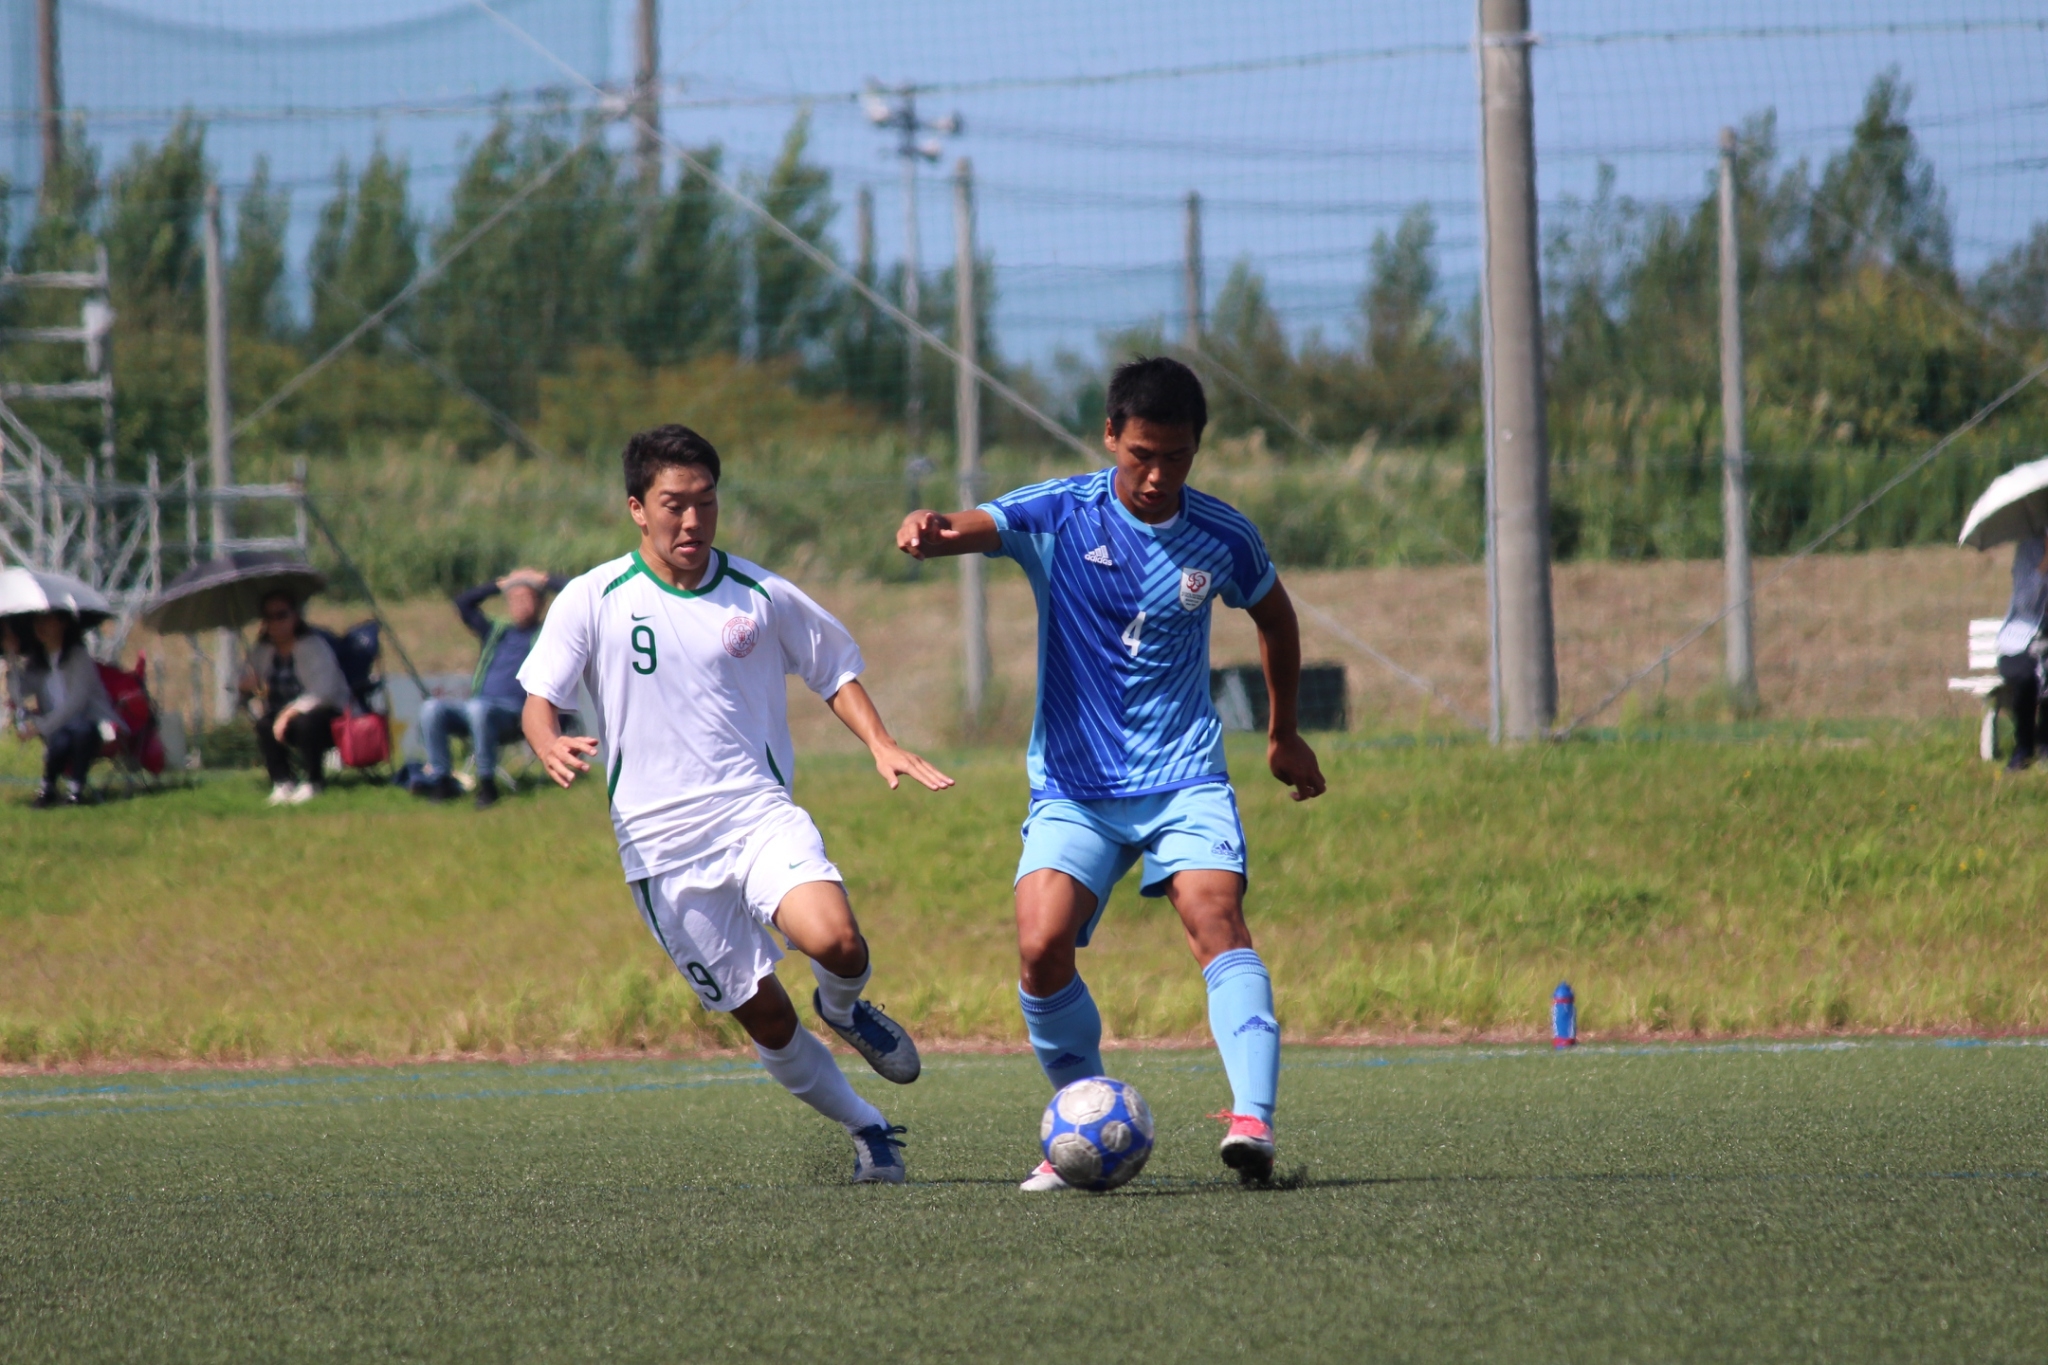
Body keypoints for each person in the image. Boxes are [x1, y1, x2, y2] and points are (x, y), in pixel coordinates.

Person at [896, 356, 1328, 1191]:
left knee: (1215, 915)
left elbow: (1275, 617)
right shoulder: (1062, 511)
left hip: (1184, 776)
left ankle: (1253, 1122)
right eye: (1141, 455)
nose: (1158, 475)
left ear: (1197, 448)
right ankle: (1083, 1121)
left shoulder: (1223, 535)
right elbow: (967, 525)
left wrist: (1283, 732)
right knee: (1039, 945)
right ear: (1108, 437)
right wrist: (929, 527)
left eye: (1177, 457)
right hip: (1074, 786)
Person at [520, 424, 954, 1185]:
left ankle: (845, 1008)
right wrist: (547, 740)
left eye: (706, 502)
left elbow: (833, 669)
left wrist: (881, 742)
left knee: (837, 942)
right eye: (674, 504)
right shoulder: (593, 597)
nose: (692, 521)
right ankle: (868, 1127)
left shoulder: (759, 594)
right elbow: (538, 697)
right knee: (769, 1019)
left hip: (756, 815)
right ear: (637, 508)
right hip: (661, 851)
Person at [414, 567, 567, 808]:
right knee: (432, 709)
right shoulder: (496, 632)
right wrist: (499, 584)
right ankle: (442, 780)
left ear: (540, 603)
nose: (519, 604)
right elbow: (463, 603)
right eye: (514, 599)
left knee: (478, 709)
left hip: (517, 713)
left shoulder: (548, 633)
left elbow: (582, 596)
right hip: (479, 708)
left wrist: (545, 580)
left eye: (526, 598)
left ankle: (487, 784)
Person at [237, 591, 352, 806]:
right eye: (269, 617)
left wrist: (288, 714)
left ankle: (313, 782)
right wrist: (246, 685)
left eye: (282, 615)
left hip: (326, 715)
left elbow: (323, 693)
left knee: (304, 723)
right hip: (281, 715)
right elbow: (243, 685)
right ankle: (282, 782)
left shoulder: (314, 647)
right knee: (264, 724)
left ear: (295, 617)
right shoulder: (262, 651)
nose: (276, 623)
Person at [3, 610, 121, 808]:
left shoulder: (78, 657)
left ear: (63, 624)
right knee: (61, 738)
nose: (40, 627)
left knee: (79, 729)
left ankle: (75, 790)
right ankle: (48, 789)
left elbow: (77, 703)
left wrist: (42, 726)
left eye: (47, 620)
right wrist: (11, 656)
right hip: (58, 730)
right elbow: (19, 693)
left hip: (93, 727)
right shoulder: (37, 662)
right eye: (37, 621)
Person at [1994, 530, 2048, 772]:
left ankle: (2045, 744)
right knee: (2025, 677)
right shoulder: (2028, 548)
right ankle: (2023, 747)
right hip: (2019, 639)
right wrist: (2045, 564)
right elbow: (2024, 601)